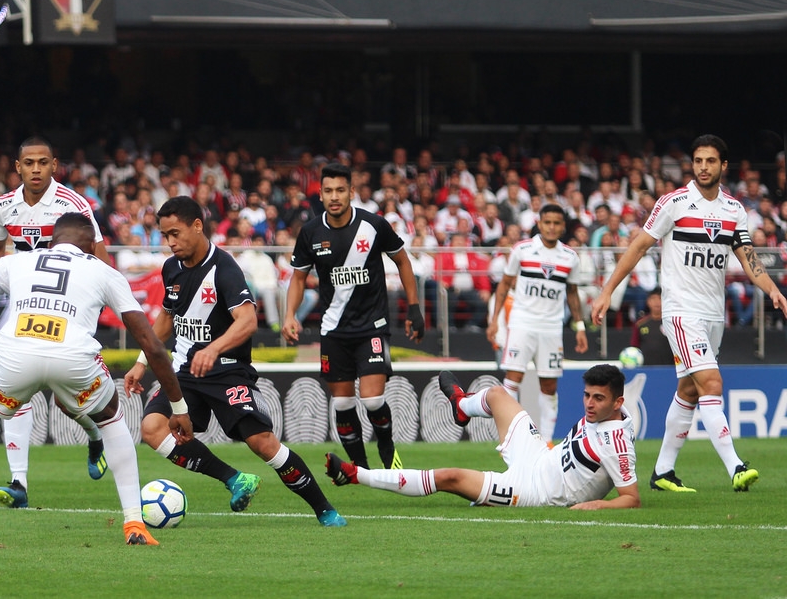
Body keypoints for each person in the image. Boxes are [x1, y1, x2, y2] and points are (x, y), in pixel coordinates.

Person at [0, 213, 191, 548]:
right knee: (111, 420)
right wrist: (178, 407)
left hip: (15, 355)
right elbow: (153, 347)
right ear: (89, 245)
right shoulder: (104, 271)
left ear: (53, 241)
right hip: (72, 358)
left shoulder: (20, 260)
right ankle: (133, 524)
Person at [124, 196, 346, 527]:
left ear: (197, 226)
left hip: (227, 370)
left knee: (262, 442)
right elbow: (166, 320)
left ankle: (324, 508)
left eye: (175, 233)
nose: (170, 242)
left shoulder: (225, 269)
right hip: (184, 371)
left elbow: (247, 321)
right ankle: (234, 479)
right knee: (153, 428)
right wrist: (142, 360)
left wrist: (213, 349)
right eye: (165, 235)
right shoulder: (171, 268)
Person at [592, 134, 787, 493]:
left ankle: (663, 471)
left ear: (723, 166)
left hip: (714, 315)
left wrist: (772, 289)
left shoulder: (734, 211)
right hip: (681, 312)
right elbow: (638, 246)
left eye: (710, 161)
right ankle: (736, 467)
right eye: (698, 160)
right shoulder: (674, 203)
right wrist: (607, 291)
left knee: (690, 390)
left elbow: (747, 256)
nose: (703, 167)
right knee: (711, 384)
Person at [0, 136, 110, 509]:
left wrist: (99, 299)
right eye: (29, 163)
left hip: (68, 306)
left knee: (69, 398)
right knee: (17, 385)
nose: (36, 169)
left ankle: (94, 433)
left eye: (43, 162)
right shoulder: (3, 207)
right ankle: (18, 482)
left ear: (54, 165)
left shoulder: (73, 205)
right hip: (25, 305)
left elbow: (98, 251)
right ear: (17, 167)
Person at [325, 365, 639, 510]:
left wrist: (597, 506)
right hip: (539, 458)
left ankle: (354, 475)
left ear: (618, 402)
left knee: (451, 476)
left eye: (598, 398)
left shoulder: (617, 443)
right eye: (587, 396)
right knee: (499, 395)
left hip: (532, 492)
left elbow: (631, 498)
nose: (589, 403)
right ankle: (462, 406)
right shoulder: (599, 414)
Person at [282, 163, 425, 471]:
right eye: (329, 191)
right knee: (343, 404)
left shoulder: (374, 225)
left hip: (371, 327)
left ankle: (385, 441)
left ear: (351, 192)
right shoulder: (310, 232)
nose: (335, 197)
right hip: (333, 331)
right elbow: (297, 279)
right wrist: (289, 315)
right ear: (320, 194)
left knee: (373, 400)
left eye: (341, 190)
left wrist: (414, 308)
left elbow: (402, 261)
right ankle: (359, 467)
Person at [485, 203, 589, 444]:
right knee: (512, 379)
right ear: (539, 224)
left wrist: (580, 326)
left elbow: (572, 293)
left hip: (552, 329)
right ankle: (510, 437)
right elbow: (503, 285)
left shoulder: (570, 257)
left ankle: (548, 440)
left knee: (549, 385)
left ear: (563, 226)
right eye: (547, 222)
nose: (551, 227)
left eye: (556, 223)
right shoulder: (522, 250)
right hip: (522, 324)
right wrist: (494, 321)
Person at [630, 289, 675, 366]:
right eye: (653, 299)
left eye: (660, 298)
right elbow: (634, 347)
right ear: (648, 301)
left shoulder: (672, 322)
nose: (657, 302)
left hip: (670, 368)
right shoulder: (640, 323)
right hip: (646, 368)